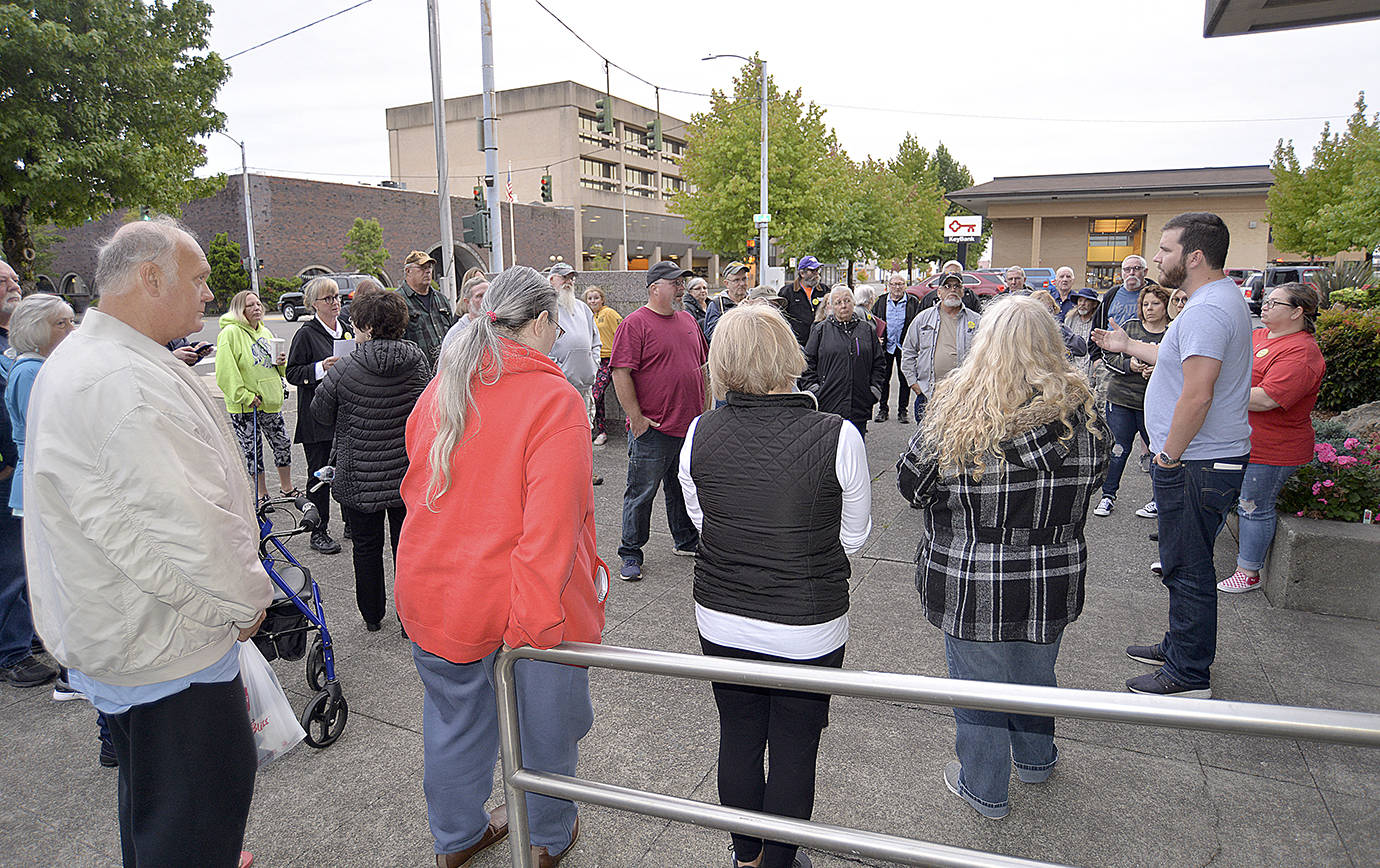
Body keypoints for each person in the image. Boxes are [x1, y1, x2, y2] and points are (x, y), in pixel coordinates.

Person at [25, 218, 271, 866]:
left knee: (156, 813)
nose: (208, 296)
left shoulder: (96, 360)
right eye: (199, 280)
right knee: (189, 824)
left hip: (137, 645)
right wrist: (248, 601)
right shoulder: (118, 382)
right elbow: (183, 535)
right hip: (168, 654)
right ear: (150, 278)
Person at [395, 266, 606, 868]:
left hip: (439, 590)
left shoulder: (442, 387)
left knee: (453, 726)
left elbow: (417, 487)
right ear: (539, 322)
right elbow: (553, 531)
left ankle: (457, 838)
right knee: (545, 732)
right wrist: (537, 627)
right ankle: (547, 836)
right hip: (525, 601)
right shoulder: (553, 399)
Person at [897, 294, 1108, 821]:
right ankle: (1036, 762)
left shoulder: (956, 413)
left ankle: (985, 789)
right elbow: (1099, 479)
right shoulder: (1084, 413)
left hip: (972, 572)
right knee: (1037, 676)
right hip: (1053, 569)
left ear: (985, 345)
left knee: (978, 690)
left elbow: (912, 485)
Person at [678, 304, 871, 868]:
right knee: (794, 744)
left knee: (738, 732)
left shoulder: (700, 431)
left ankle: (746, 856)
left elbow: (702, 518)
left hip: (722, 613)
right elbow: (853, 536)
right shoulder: (837, 435)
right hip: (807, 624)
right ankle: (779, 861)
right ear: (788, 353)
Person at [1093, 212, 1251, 699]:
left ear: (1194, 256)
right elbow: (1180, 357)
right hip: (1202, 460)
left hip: (1196, 463)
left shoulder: (1206, 310)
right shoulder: (1217, 301)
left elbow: (1198, 393)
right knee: (1187, 562)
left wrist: (1167, 457)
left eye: (1164, 249)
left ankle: (1187, 675)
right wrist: (1128, 345)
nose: (1156, 258)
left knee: (1187, 566)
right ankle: (1182, 646)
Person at [313, 289, 428, 631]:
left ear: (364, 326)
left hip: (359, 474)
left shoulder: (345, 367)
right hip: (406, 472)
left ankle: (372, 615)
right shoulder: (417, 360)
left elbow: (320, 413)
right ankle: (409, 618)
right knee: (405, 548)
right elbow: (426, 408)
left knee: (365, 548)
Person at [1217, 282, 1326, 593]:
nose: (1264, 305)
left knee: (1254, 506)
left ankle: (1248, 572)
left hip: (1273, 449)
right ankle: (1194, 558)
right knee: (1222, 500)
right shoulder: (1260, 335)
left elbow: (1267, 399)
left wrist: (1213, 392)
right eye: (1266, 300)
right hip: (1240, 439)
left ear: (1297, 312)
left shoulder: (1303, 352)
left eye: (1275, 303)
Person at [610, 261, 709, 582]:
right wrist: (635, 418)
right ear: (655, 288)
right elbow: (620, 371)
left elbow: (704, 367)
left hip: (689, 427)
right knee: (641, 493)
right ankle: (630, 552)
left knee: (683, 489)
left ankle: (686, 540)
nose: (681, 288)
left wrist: (705, 412)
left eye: (682, 283)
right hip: (652, 429)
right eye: (675, 283)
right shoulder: (635, 324)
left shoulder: (688, 321)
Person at [0, 291, 72, 689]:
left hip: (41, 477)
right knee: (47, 572)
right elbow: (48, 431)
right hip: (41, 481)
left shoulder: (31, 366)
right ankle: (61, 668)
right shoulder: (30, 371)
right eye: (61, 323)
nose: (70, 330)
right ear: (36, 330)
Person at [285, 276, 352, 555]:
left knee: (346, 471)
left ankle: (351, 522)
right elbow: (292, 373)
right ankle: (319, 529)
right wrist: (320, 368)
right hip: (318, 419)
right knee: (320, 475)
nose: (335, 302)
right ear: (314, 304)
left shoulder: (346, 329)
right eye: (328, 298)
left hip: (344, 416)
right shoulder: (306, 334)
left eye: (336, 297)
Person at [1094, 285, 1172, 517]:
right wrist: (1129, 365)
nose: (1149, 308)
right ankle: (1107, 497)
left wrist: (1156, 370)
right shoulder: (1130, 327)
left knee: (1160, 453)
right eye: (1145, 304)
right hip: (1121, 399)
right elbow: (1108, 356)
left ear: (1166, 305)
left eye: (1155, 303)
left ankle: (1158, 500)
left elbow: (1180, 365)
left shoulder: (1172, 332)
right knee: (1118, 449)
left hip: (1155, 404)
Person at [216, 290, 295, 500]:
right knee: (253, 450)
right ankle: (262, 494)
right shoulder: (230, 333)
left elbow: (274, 367)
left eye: (258, 304)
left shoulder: (265, 332)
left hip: (269, 401)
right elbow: (225, 372)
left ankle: (286, 487)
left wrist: (281, 364)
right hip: (246, 406)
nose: (257, 308)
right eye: (250, 305)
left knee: (282, 443)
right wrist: (244, 395)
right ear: (240, 310)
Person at [801, 285, 886, 439]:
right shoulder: (820, 331)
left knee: (856, 451)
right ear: (831, 306)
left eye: (847, 301)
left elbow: (879, 363)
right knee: (831, 451)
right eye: (838, 302)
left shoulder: (866, 330)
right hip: (829, 404)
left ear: (853, 303)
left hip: (859, 403)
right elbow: (807, 364)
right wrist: (815, 390)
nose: (843, 305)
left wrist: (874, 390)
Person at [900, 272, 981, 424]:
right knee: (926, 443)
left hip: (963, 397)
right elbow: (908, 351)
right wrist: (914, 384)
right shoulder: (923, 318)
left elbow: (986, 355)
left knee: (958, 442)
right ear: (939, 292)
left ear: (963, 292)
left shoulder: (976, 321)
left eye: (957, 286)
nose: (953, 290)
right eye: (947, 286)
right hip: (929, 395)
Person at [548, 262, 603, 486]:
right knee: (560, 432)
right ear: (551, 280)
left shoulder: (582, 308)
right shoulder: (546, 308)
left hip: (584, 384)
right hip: (558, 386)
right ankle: (562, 473)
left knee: (585, 428)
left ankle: (586, 470)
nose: (568, 282)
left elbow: (595, 341)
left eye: (571, 278)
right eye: (564, 277)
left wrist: (594, 364)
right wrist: (556, 370)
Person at [872, 274, 921, 424]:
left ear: (905, 286)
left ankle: (902, 411)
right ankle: (883, 410)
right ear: (889, 286)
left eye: (900, 284)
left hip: (904, 346)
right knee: (883, 379)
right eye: (894, 284)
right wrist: (876, 337)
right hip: (885, 346)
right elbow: (873, 321)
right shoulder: (881, 301)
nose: (897, 287)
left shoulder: (913, 302)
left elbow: (917, 323)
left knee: (905, 379)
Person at [400, 249, 455, 372]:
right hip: (416, 376)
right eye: (422, 268)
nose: (428, 271)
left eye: (429, 267)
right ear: (408, 271)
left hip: (446, 372)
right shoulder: (398, 302)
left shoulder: (441, 299)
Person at [585, 286, 621, 447]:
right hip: (595, 360)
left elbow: (621, 332)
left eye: (596, 297)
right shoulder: (587, 316)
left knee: (596, 394)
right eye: (590, 298)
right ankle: (600, 431)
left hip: (610, 359)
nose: (593, 301)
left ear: (602, 299)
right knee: (595, 397)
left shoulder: (609, 313)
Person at [1095, 255, 1153, 330]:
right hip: (1111, 340)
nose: (1131, 273)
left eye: (1137, 268)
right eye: (1127, 269)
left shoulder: (1155, 294)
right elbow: (1098, 323)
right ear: (1122, 273)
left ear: (1145, 272)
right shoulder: (1111, 294)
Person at [780, 255, 824, 346]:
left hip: (821, 344)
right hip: (797, 345)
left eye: (817, 270)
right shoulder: (787, 292)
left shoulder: (824, 290)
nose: (816, 274)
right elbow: (781, 318)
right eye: (812, 270)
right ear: (802, 273)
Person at [1063, 286, 1103, 383]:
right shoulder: (1070, 319)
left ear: (1094, 304)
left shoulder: (1098, 321)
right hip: (1072, 366)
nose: (1082, 304)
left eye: (1086, 301)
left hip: (1090, 366)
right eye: (1080, 300)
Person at [440, 275, 491, 351]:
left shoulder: (500, 327)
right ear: (467, 302)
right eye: (479, 296)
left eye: (487, 294)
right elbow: (444, 362)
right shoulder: (456, 334)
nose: (485, 299)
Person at [704, 261, 750, 342]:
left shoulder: (754, 300)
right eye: (736, 280)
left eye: (744, 279)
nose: (742, 283)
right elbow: (711, 335)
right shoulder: (717, 304)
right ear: (726, 283)